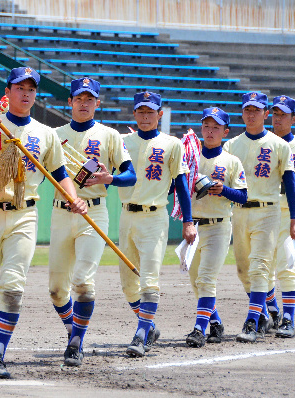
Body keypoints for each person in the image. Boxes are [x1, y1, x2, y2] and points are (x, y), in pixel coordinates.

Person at [0, 67, 87, 379]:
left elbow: (61, 174)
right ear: (8, 92)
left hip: (25, 214)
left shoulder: (45, 134)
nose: (26, 93)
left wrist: (73, 197)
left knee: (12, 287)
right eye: (19, 87)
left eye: (31, 89)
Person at [48, 77, 136, 367]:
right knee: (57, 289)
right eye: (78, 98)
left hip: (94, 213)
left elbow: (130, 174)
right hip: (61, 213)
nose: (83, 103)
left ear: (98, 103)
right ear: (70, 101)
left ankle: (76, 344)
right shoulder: (54, 134)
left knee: (83, 282)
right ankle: (75, 330)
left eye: (89, 99)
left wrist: (109, 178)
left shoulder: (109, 135)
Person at [118, 91, 197, 357]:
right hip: (126, 214)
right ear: (134, 113)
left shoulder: (171, 144)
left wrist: (188, 221)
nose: (145, 116)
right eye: (140, 111)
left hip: (154, 216)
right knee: (128, 283)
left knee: (149, 279)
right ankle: (149, 325)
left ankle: (141, 335)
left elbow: (182, 186)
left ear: (160, 114)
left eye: (150, 112)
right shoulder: (122, 141)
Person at [223, 91, 295, 343]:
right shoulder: (232, 145)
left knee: (262, 267)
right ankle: (265, 314)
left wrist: (294, 218)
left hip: (268, 211)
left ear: (265, 114)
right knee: (243, 270)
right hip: (240, 212)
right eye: (247, 109)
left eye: (257, 110)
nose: (251, 114)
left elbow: (290, 185)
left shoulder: (280, 146)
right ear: (242, 112)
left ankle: (251, 321)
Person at [185, 107, 248, 348]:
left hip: (219, 227)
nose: (210, 131)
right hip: (194, 226)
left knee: (206, 279)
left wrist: (224, 190)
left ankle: (199, 330)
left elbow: (243, 196)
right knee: (196, 282)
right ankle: (216, 322)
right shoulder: (191, 157)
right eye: (207, 126)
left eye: (216, 127)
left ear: (225, 131)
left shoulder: (231, 161)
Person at [266, 95, 295, 338]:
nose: (278, 118)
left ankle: (288, 318)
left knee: (287, 267)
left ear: (294, 118)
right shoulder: (262, 144)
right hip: (262, 212)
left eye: (283, 114)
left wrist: (290, 177)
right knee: (259, 268)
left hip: (290, 214)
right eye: (275, 113)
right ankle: (273, 309)